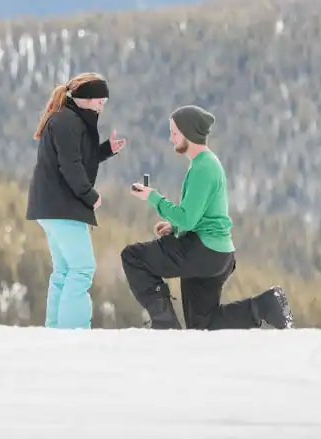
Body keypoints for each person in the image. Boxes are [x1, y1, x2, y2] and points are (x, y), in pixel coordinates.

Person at [123, 104, 292, 330]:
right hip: (217, 254)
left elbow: (188, 220)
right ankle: (265, 305)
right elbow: (197, 217)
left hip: (203, 250)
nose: (170, 138)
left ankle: (163, 323)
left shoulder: (203, 168)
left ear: (188, 133)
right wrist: (174, 227)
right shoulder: (206, 164)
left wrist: (154, 197)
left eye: (174, 132)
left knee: (133, 256)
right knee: (203, 323)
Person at [25, 72, 126, 329]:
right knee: (82, 269)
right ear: (85, 99)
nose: (102, 106)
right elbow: (70, 165)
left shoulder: (68, 119)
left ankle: (56, 328)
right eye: (99, 101)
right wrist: (89, 195)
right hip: (62, 206)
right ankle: (73, 332)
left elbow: (78, 157)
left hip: (50, 205)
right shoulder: (67, 122)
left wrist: (106, 150)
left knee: (64, 271)